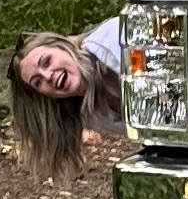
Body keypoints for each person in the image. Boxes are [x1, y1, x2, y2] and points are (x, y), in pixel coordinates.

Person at [8, 14, 122, 176]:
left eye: (47, 61)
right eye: (38, 82)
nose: (48, 76)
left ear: (65, 47)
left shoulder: (112, 39)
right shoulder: (93, 116)